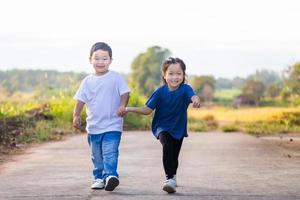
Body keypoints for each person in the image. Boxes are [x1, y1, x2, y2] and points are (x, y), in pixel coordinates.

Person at [125, 57, 200, 193]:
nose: (175, 77)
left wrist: (196, 100)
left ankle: (173, 176)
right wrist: (129, 109)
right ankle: (169, 178)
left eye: (179, 74)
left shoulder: (185, 89)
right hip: (162, 126)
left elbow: (193, 96)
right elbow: (147, 110)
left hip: (178, 127)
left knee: (174, 156)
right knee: (167, 146)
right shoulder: (160, 92)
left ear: (184, 75)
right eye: (170, 73)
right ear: (164, 76)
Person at [73, 42, 130, 191]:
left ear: (111, 60)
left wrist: (122, 105)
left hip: (113, 125)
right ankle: (98, 177)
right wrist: (76, 115)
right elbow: (80, 100)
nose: (100, 62)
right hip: (93, 127)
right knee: (96, 156)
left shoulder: (116, 77)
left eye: (104, 58)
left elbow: (125, 93)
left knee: (110, 151)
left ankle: (111, 176)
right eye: (97, 58)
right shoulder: (87, 81)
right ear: (90, 59)